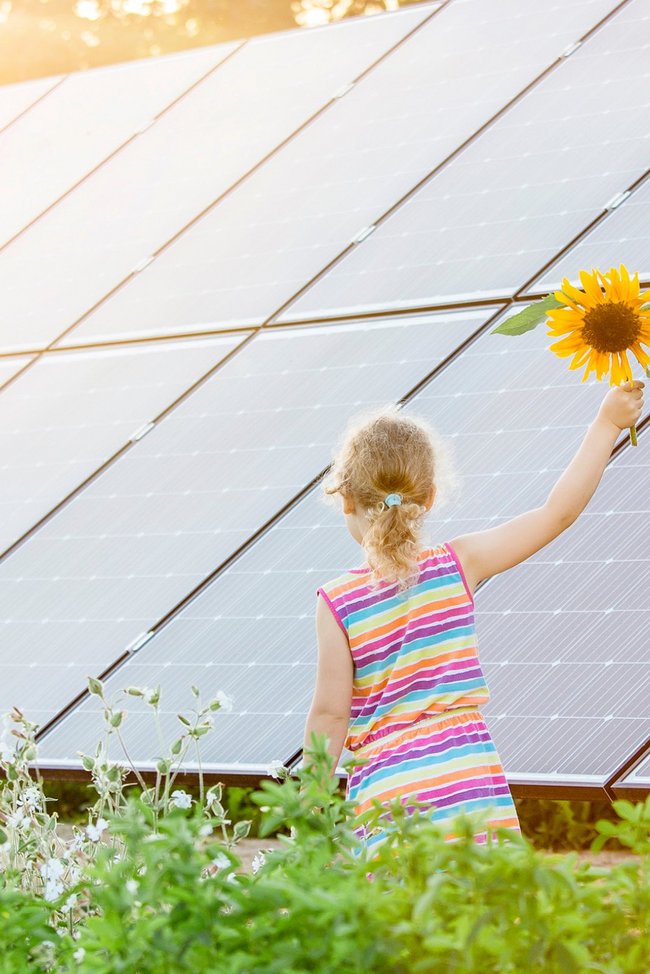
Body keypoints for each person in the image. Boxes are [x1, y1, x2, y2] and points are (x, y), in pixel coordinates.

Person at [302, 380, 645, 855]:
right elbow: (556, 514)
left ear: (345, 499)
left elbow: (331, 713)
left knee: (404, 922)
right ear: (431, 496)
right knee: (483, 916)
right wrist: (607, 423)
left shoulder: (337, 602)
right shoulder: (458, 565)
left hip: (388, 794)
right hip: (468, 782)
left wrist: (308, 806)